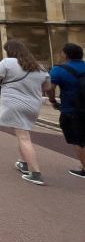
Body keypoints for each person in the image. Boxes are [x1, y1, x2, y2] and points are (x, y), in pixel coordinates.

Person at [0, 39, 51, 185]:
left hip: (14, 103)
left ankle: (35, 172)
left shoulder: (7, 63)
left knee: (24, 137)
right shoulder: (39, 67)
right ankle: (23, 162)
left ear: (10, 51)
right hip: (33, 105)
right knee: (23, 133)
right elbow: (47, 87)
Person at [47, 43, 85, 178]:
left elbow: (49, 88)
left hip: (72, 109)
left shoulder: (59, 70)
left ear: (65, 54)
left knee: (78, 140)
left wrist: (52, 100)